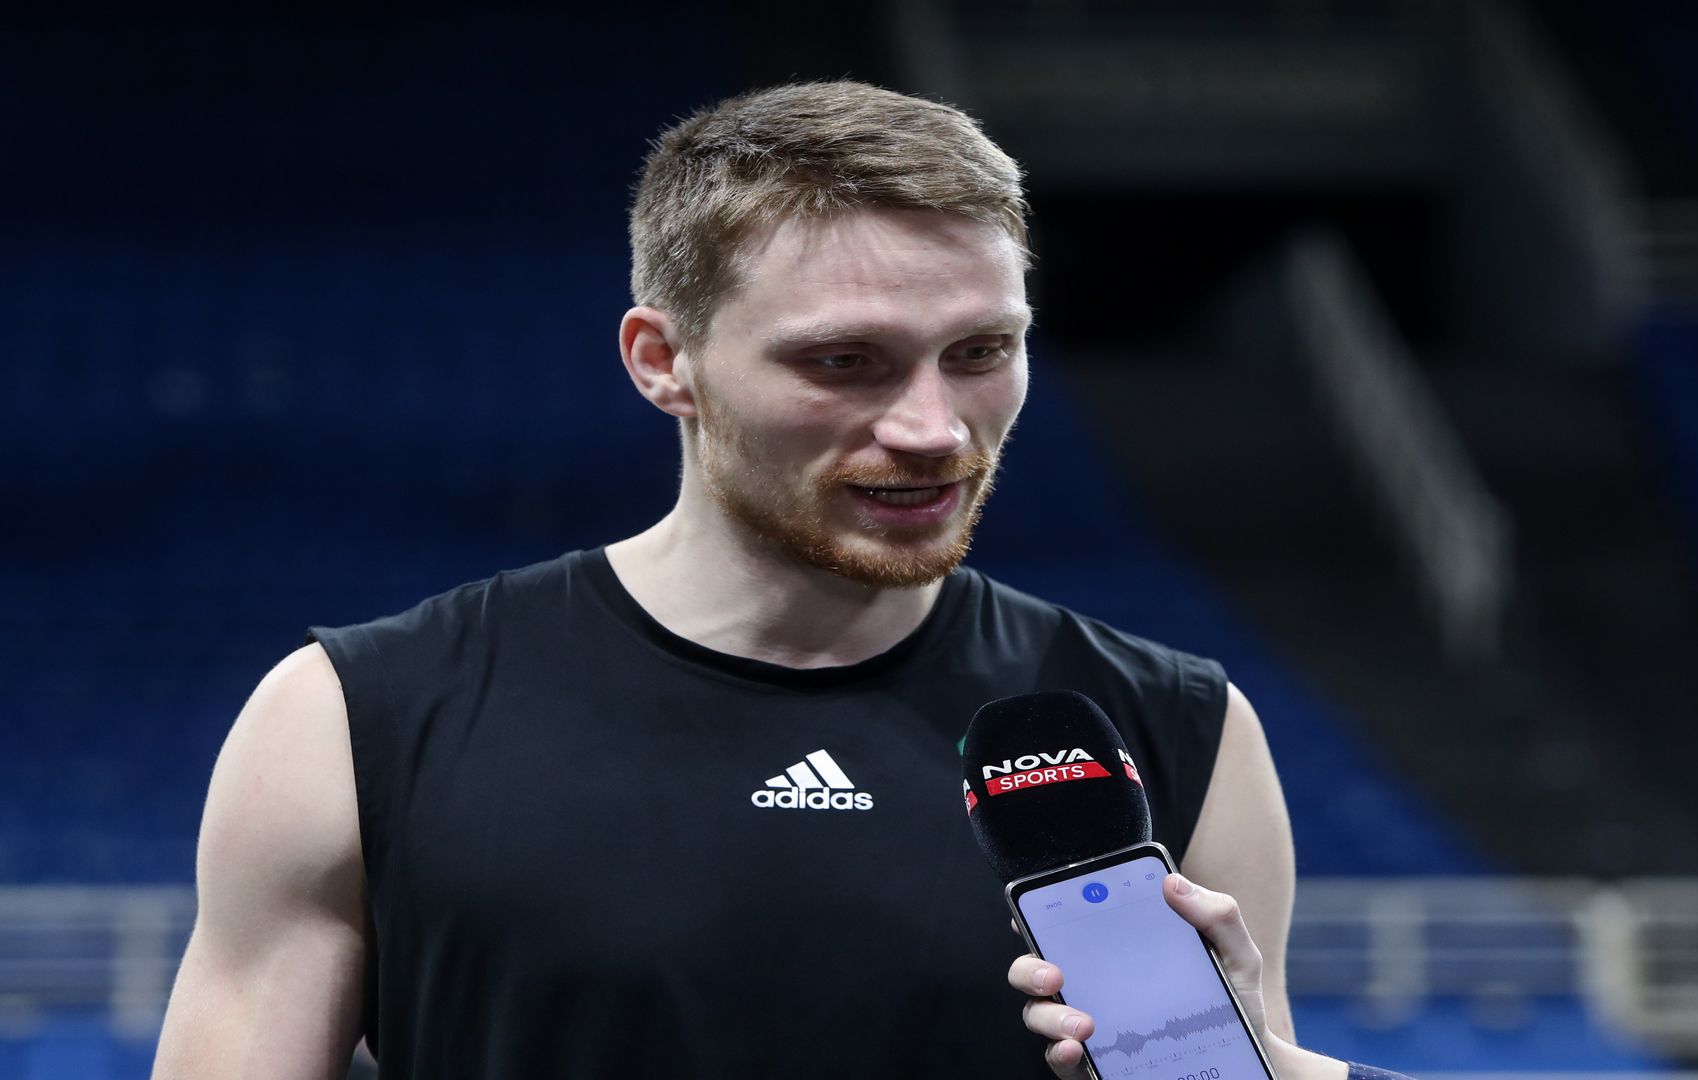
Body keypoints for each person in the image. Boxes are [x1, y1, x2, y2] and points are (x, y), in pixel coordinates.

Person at [152, 81, 1372, 1079]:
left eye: (980, 351)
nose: (934, 427)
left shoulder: (1175, 729)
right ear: (662, 361)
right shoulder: (355, 720)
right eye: (846, 361)